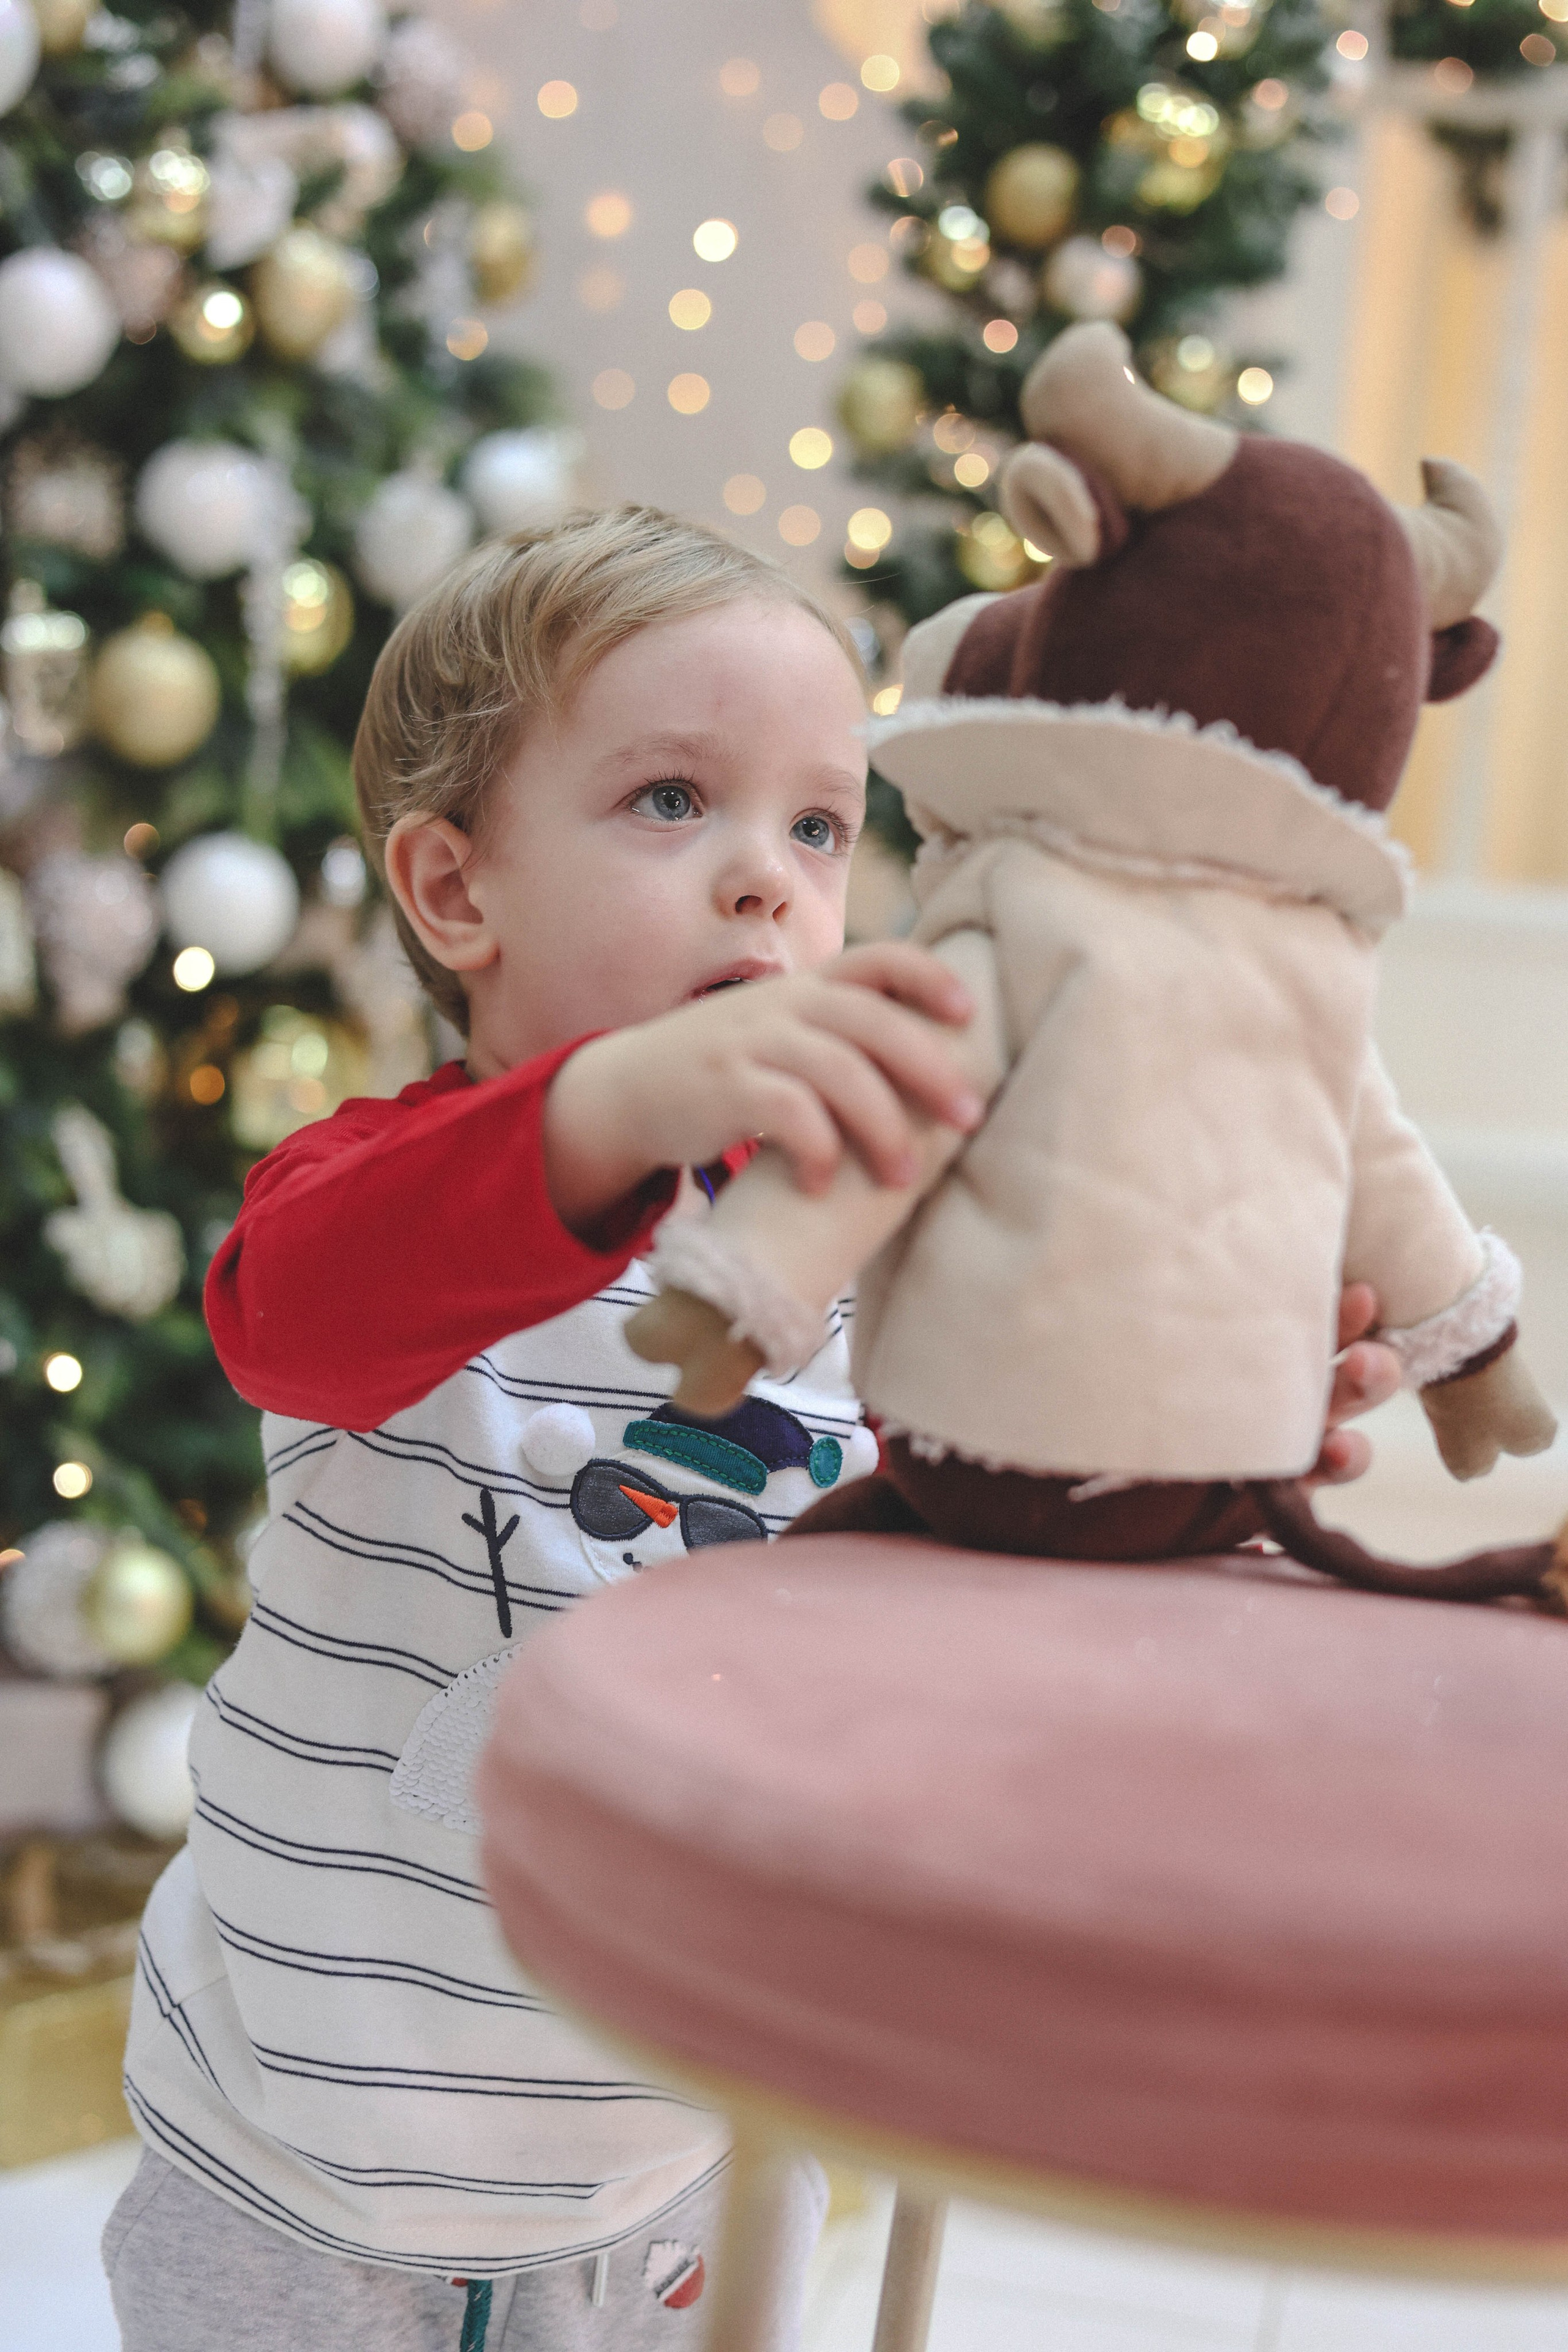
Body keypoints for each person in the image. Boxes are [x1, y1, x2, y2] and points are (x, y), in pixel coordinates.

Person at [102, 505, 1400, 2352]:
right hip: (298, 2165)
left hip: (667, 2160)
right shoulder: (386, 1187)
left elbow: (992, 1557)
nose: (767, 882)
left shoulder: (889, 1268)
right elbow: (282, 1318)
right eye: (667, 802)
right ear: (455, 890)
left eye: (816, 824)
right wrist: (618, 1105)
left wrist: (1224, 1438)